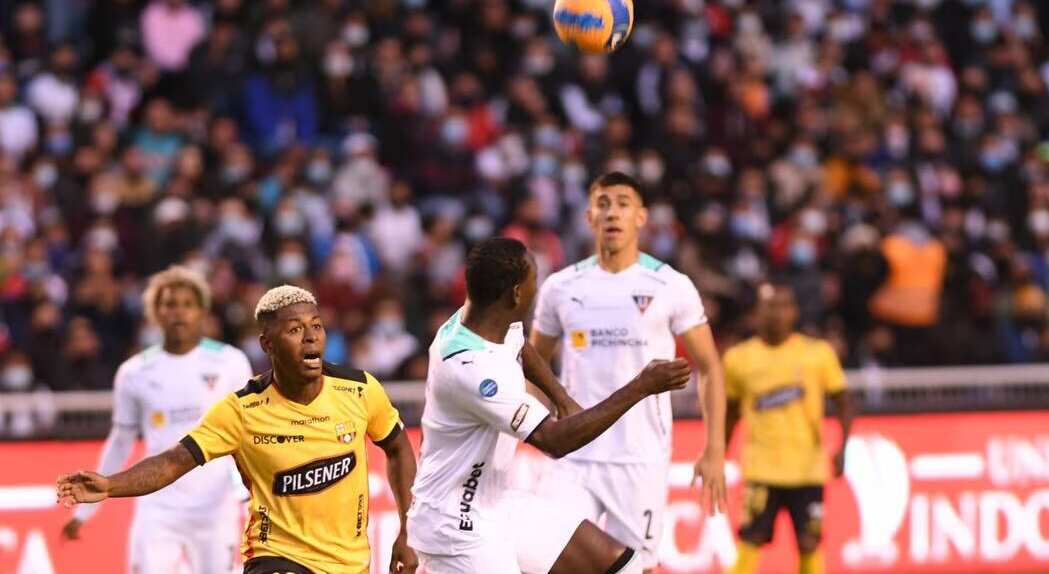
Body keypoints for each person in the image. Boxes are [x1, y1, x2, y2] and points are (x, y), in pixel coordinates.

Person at [58, 285, 419, 574]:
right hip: (276, 556)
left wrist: (408, 531)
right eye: (295, 330)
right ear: (267, 344)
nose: (311, 337)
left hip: (350, 563)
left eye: (317, 325)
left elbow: (399, 448)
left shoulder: (360, 390)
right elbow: (173, 461)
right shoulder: (241, 411)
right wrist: (111, 485)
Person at [407, 237, 694, 574]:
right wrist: (642, 386)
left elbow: (519, 345)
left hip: (496, 503)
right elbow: (554, 441)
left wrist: (563, 398)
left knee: (621, 565)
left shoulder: (479, 321)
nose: (538, 288)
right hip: (455, 527)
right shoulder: (473, 370)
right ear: (516, 293)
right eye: (535, 280)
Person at [529, 171, 728, 572]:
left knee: (637, 569)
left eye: (623, 203)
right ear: (589, 217)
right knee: (550, 560)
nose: (612, 212)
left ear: (641, 217)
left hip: (640, 457)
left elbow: (710, 367)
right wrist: (537, 426)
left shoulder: (670, 285)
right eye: (603, 204)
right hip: (575, 457)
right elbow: (532, 362)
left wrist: (715, 449)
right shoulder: (561, 287)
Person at [60, 265, 253, 574]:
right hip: (158, 507)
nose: (179, 312)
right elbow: (120, 442)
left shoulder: (230, 362)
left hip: (215, 508)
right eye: (169, 304)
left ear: (202, 311)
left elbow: (246, 436)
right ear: (155, 312)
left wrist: (249, 493)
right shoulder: (134, 371)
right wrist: (86, 511)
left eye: (187, 304)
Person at [723, 283, 854, 574]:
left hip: (807, 468)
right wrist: (718, 454)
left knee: (809, 542)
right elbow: (730, 414)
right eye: (770, 307)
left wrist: (843, 447)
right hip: (761, 469)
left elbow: (844, 401)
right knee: (751, 538)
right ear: (757, 313)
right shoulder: (738, 359)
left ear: (794, 312)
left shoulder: (817, 353)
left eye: (783, 306)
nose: (777, 314)